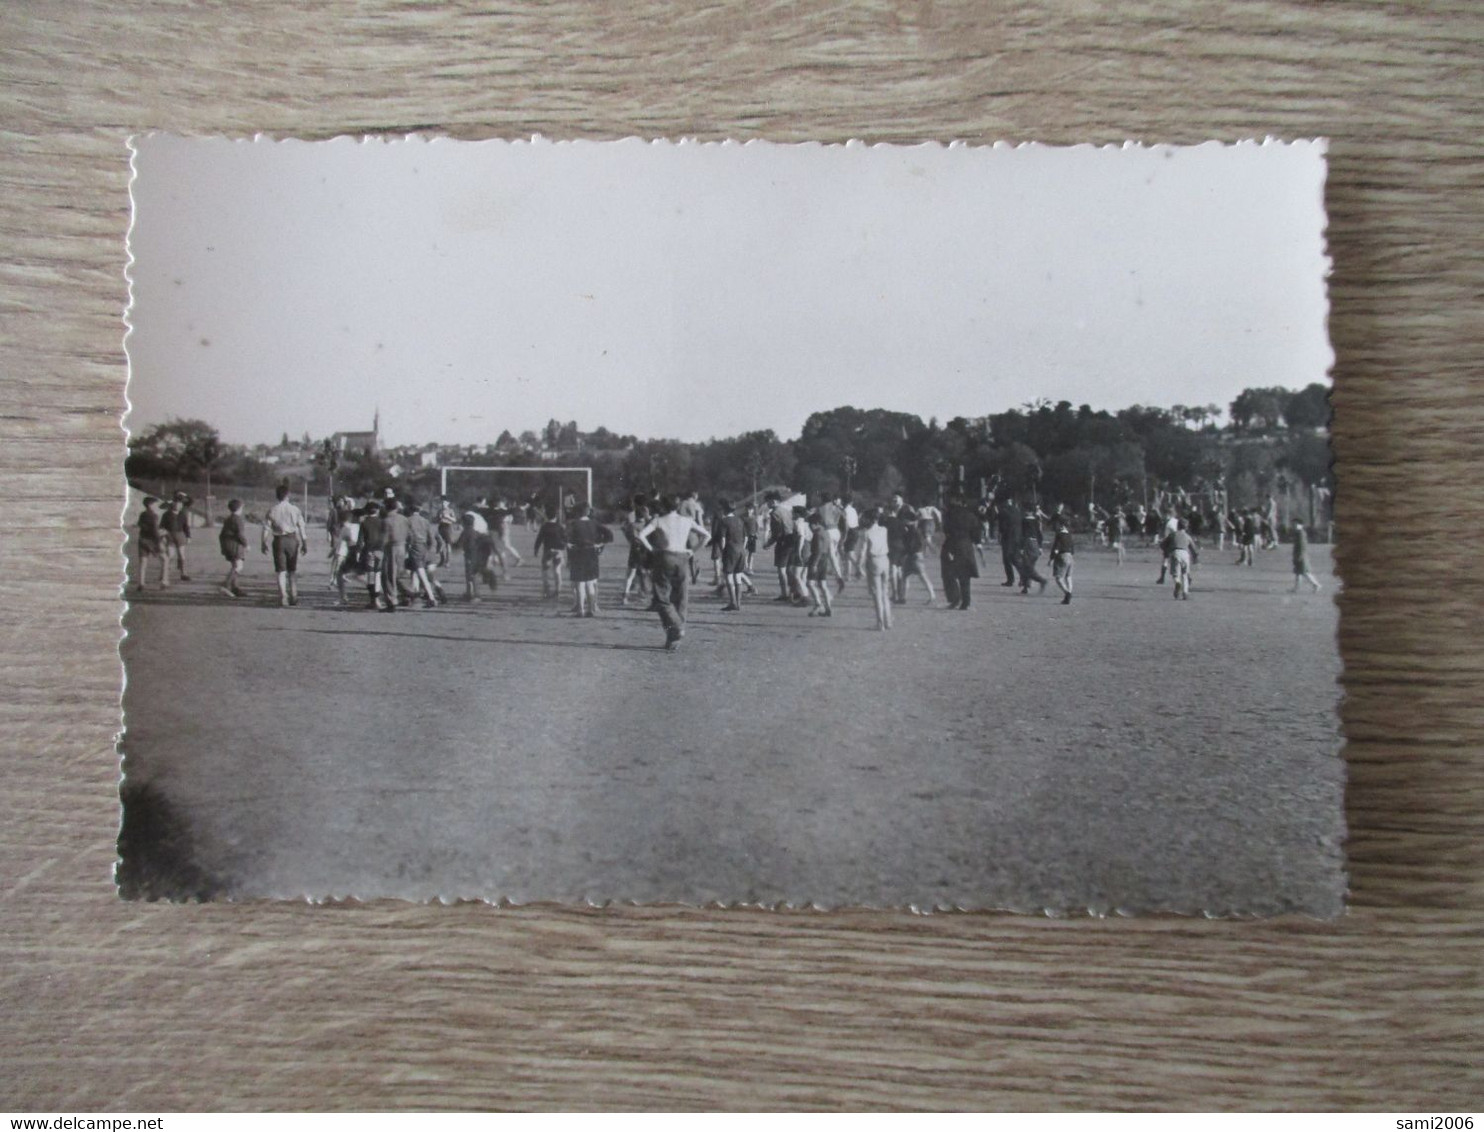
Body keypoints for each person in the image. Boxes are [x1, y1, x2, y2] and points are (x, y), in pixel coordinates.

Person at [635, 494, 711, 651]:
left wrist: (653, 550)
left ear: (663, 506)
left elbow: (641, 535)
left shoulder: (658, 520)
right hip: (682, 557)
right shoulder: (687, 520)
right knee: (681, 597)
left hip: (665, 557)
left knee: (662, 597)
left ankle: (675, 628)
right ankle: (674, 637)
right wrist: (692, 551)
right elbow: (706, 535)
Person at [261, 481, 309, 608]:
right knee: (292, 570)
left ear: (277, 496)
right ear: (288, 495)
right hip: (292, 539)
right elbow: (302, 527)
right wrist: (305, 543)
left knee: (280, 571)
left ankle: (283, 597)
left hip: (279, 540)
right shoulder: (295, 509)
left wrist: (263, 542)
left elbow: (266, 528)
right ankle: (294, 595)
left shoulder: (272, 510)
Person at [564, 502, 613, 617]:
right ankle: (591, 608)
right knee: (590, 582)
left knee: (580, 583)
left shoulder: (573, 524)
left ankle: (580, 609)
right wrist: (600, 544)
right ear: (588, 512)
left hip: (578, 553)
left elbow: (564, 536)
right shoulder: (594, 523)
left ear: (577, 512)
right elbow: (609, 535)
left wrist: (568, 544)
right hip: (592, 553)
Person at [939, 491, 980, 610]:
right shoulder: (971, 516)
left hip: (951, 545)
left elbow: (946, 530)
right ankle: (966, 602)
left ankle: (954, 598)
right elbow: (976, 534)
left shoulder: (949, 515)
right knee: (965, 575)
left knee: (948, 574)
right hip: (967, 546)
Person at [859, 508, 893, 630]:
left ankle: (880, 624)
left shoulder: (867, 533)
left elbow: (863, 551)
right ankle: (888, 621)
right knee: (885, 593)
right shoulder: (884, 530)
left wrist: (859, 566)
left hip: (874, 561)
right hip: (885, 560)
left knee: (877, 595)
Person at [714, 498, 749, 612]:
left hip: (730, 549)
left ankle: (732, 602)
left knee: (728, 575)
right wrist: (742, 548)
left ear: (724, 510)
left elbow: (723, 539)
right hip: (741, 549)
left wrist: (723, 551)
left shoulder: (724, 522)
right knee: (738, 576)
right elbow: (746, 537)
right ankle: (738, 603)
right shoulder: (740, 520)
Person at [381, 494, 413, 606]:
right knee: (400, 572)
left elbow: (384, 538)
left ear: (386, 507)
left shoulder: (386, 520)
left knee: (388, 574)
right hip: (403, 546)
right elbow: (410, 535)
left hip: (391, 548)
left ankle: (392, 600)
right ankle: (408, 593)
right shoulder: (404, 519)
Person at [357, 500, 389, 610]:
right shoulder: (383, 522)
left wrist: (358, 552)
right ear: (378, 510)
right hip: (381, 550)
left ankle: (374, 600)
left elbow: (360, 540)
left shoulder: (364, 523)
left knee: (370, 576)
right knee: (378, 575)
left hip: (369, 550)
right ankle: (378, 599)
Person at [329, 502, 362, 606]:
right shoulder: (358, 527)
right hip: (360, 552)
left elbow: (340, 543)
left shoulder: (345, 529)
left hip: (352, 553)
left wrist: (332, 552)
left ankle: (343, 597)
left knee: (340, 574)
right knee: (360, 575)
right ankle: (376, 593)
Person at [133, 495, 168, 591]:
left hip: (142, 539)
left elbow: (140, 524)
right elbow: (155, 531)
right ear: (150, 505)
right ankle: (164, 581)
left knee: (143, 562)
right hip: (152, 541)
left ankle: (141, 583)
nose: (156, 505)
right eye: (155, 504)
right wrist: (161, 538)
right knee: (164, 559)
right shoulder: (154, 516)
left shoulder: (142, 514)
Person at [804, 510, 835, 618]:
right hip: (825, 559)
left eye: (810, 525)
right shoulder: (826, 532)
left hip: (817, 559)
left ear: (816, 523)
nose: (809, 527)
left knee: (810, 583)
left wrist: (814, 564)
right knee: (823, 584)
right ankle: (828, 607)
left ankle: (818, 604)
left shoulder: (817, 534)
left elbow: (818, 550)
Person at [217, 497, 249, 598]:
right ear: (239, 508)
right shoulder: (238, 520)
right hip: (234, 546)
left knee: (235, 565)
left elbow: (221, 534)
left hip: (227, 545)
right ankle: (226, 585)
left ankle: (235, 588)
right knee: (238, 566)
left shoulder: (228, 519)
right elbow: (240, 535)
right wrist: (246, 544)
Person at [534, 510, 568, 600]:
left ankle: (546, 591)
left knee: (545, 571)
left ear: (546, 516)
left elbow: (539, 539)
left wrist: (536, 549)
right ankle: (558, 590)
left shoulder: (544, 527)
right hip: (558, 551)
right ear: (556, 517)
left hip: (547, 551)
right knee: (557, 571)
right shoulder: (560, 527)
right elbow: (565, 539)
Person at [1019, 500, 1049, 595]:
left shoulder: (1024, 521)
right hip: (1035, 543)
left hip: (1028, 543)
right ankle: (1025, 586)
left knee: (1027, 566)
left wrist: (1021, 547)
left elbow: (1023, 535)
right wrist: (1040, 547)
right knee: (1029, 565)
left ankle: (1041, 580)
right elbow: (1039, 534)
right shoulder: (1036, 521)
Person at [160, 492, 192, 581]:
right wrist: (163, 536)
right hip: (170, 536)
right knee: (170, 555)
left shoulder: (182, 514)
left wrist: (188, 537)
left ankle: (183, 573)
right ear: (173, 504)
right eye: (176, 503)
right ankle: (164, 573)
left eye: (180, 504)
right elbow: (161, 526)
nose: (178, 505)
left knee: (182, 556)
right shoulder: (166, 515)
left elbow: (186, 527)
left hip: (181, 535)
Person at [996, 496, 1022, 587]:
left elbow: (1001, 526)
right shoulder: (1018, 511)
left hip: (1007, 537)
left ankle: (1010, 580)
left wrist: (999, 536)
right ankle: (1023, 577)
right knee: (1015, 559)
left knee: (1007, 559)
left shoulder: (1003, 511)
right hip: (1017, 537)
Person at [1049, 516, 1075, 605]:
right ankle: (1070, 592)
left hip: (1062, 556)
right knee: (1068, 577)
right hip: (1070, 556)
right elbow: (1073, 548)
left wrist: (1051, 558)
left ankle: (1067, 593)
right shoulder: (1069, 534)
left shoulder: (1059, 534)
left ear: (1061, 525)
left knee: (1058, 578)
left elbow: (1056, 548)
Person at [1291, 521, 1322, 593]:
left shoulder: (1301, 533)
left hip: (1301, 556)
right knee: (1298, 573)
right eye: (1294, 524)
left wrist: (1299, 556)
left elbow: (1302, 546)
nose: (1294, 526)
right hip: (1299, 555)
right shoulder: (1298, 533)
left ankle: (1316, 585)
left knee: (1305, 573)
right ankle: (1296, 588)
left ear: (1300, 525)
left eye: (1296, 524)